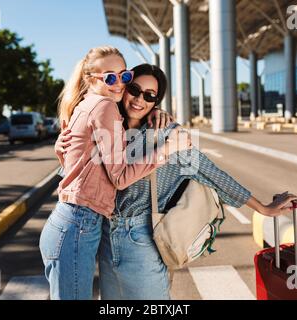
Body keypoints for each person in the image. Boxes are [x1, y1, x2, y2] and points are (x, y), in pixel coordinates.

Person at [55, 63, 297, 300]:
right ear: (124, 87)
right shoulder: (105, 125)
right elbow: (76, 173)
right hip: (105, 238)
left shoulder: (166, 134)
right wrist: (61, 147)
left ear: (156, 101)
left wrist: (262, 207)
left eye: (150, 96)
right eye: (135, 90)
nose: (140, 100)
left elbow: (209, 172)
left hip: (141, 240)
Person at [39, 47, 190, 300]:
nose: (119, 84)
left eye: (124, 76)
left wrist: (154, 110)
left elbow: (71, 163)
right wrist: (167, 149)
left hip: (68, 223)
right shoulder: (105, 107)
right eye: (110, 78)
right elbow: (120, 178)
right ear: (90, 79)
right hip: (78, 225)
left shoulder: (85, 104)